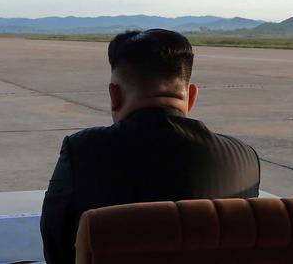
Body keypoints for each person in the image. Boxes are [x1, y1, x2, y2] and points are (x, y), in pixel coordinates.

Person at [40, 29, 260, 264]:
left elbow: (56, 247)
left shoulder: (82, 151)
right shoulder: (244, 159)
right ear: (192, 96)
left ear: (114, 95)